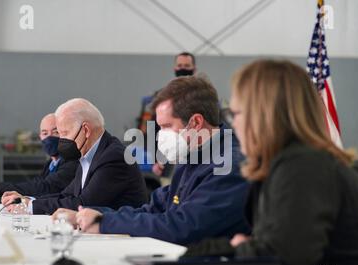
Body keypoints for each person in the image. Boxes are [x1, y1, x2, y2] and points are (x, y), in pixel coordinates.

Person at [185, 60, 358, 265]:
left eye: (235, 113)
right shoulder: (299, 162)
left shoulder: (303, 165)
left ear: (265, 114)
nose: (232, 124)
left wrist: (231, 248)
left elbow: (283, 257)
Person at [52, 76, 251, 246]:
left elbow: (184, 227)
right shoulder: (193, 159)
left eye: (166, 126)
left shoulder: (228, 165)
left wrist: (104, 223)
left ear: (196, 122)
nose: (160, 136)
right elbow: (153, 209)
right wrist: (91, 214)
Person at [2, 98, 147, 214]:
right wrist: (26, 200)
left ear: (86, 130)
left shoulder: (113, 157)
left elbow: (83, 204)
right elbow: (66, 195)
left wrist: (30, 206)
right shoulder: (89, 155)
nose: (61, 140)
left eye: (64, 133)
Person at [0, 114, 78, 197]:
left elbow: (45, 187)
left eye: (55, 132)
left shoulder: (72, 162)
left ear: (64, 134)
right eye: (45, 133)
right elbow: (35, 184)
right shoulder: (51, 163)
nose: (49, 138)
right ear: (40, 137)